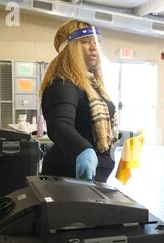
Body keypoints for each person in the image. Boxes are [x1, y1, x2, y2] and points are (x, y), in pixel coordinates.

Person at [39, 20, 118, 183]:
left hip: (93, 178)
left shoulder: (93, 86)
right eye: (85, 42)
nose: (93, 47)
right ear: (68, 49)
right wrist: (84, 150)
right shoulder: (62, 84)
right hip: (68, 177)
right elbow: (60, 125)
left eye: (95, 42)